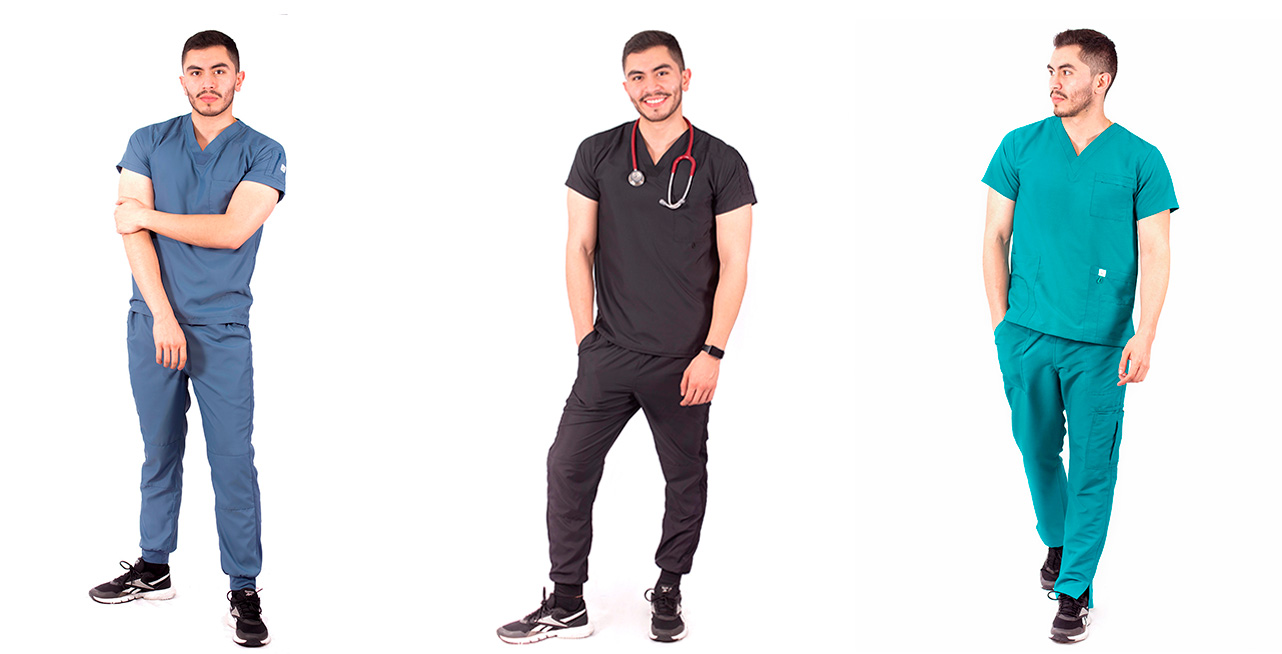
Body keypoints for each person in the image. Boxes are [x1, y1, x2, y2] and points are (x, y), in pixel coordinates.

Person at [496, 30, 755, 644]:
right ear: (625, 86)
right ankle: (567, 600)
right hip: (608, 355)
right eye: (638, 77)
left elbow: (736, 264)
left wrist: (713, 352)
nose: (651, 87)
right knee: (566, 466)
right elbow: (578, 247)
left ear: (685, 78)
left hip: (684, 362)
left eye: (662, 73)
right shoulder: (598, 153)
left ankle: (669, 586)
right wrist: (585, 339)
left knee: (685, 479)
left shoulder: (722, 162)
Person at [89, 30, 286, 649]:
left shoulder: (263, 151)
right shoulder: (147, 141)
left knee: (232, 461)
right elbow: (130, 236)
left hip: (222, 329)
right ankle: (154, 566)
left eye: (219, 71)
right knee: (159, 450)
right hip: (153, 321)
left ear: (238, 79)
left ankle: (244, 587)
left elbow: (231, 231)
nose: (207, 83)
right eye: (196, 72)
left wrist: (146, 214)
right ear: (182, 80)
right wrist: (162, 315)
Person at [982, 28, 1177, 644]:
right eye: (1050, 71)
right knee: (1036, 450)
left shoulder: (1141, 160)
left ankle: (1074, 590)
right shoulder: (1020, 146)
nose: (1053, 82)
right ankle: (1059, 540)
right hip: (1027, 334)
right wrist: (1001, 325)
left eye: (1066, 71)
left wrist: (1146, 333)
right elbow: (994, 237)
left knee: (1093, 467)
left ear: (1101, 79)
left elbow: (1156, 250)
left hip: (1100, 344)